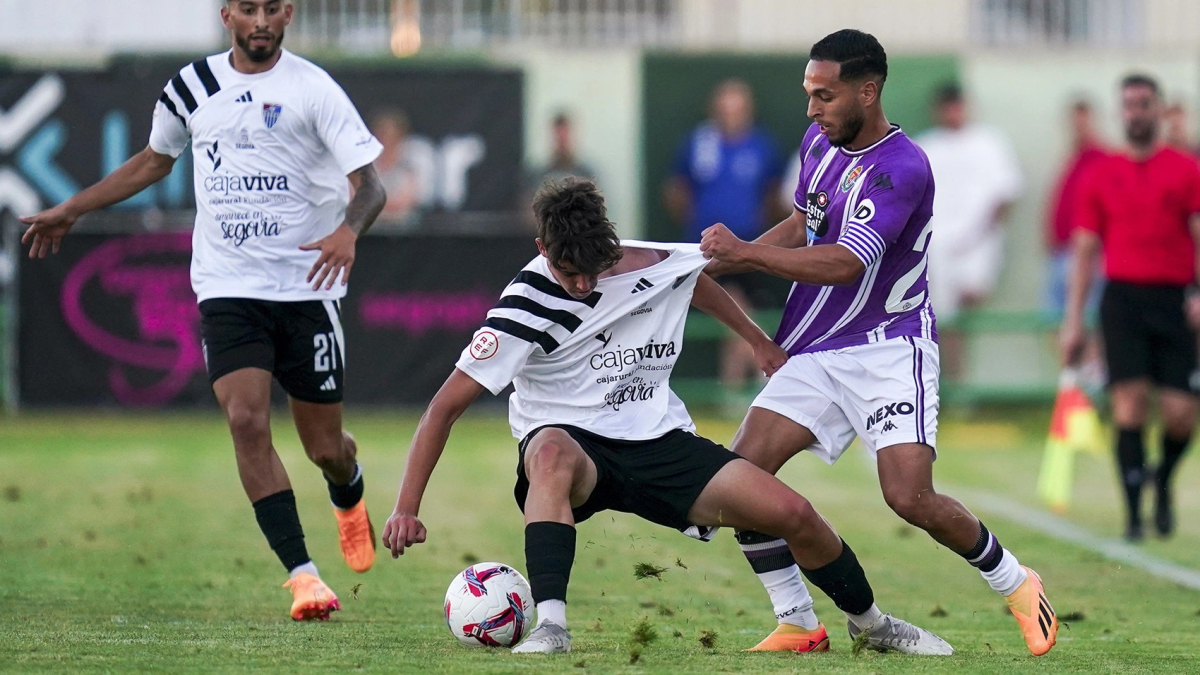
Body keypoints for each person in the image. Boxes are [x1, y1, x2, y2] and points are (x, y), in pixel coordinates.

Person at [382, 177, 950, 655]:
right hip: (574, 447)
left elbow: (693, 282)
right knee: (549, 452)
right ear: (541, 248)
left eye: (591, 270)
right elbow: (443, 409)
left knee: (794, 513)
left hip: (657, 442)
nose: (581, 284)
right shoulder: (525, 303)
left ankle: (872, 625)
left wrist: (756, 339)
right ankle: (552, 625)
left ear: (609, 244)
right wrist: (406, 507)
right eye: (567, 271)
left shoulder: (653, 262)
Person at [19, 0, 386, 621]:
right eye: (248, 9)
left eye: (271, 9)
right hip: (228, 287)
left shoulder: (313, 88)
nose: (260, 20)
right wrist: (73, 208)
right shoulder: (191, 87)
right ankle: (303, 576)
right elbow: (152, 161)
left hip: (307, 289)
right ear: (227, 16)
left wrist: (349, 232)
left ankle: (347, 493)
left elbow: (371, 184)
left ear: (288, 14)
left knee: (325, 447)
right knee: (245, 420)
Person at [700, 29, 1058, 657]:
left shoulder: (903, 167)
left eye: (825, 96)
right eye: (809, 93)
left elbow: (846, 262)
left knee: (908, 496)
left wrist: (746, 255)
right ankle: (798, 622)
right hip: (818, 348)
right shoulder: (820, 142)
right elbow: (805, 222)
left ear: (867, 92)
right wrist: (727, 258)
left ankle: (1016, 583)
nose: (811, 109)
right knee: (740, 479)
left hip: (890, 348)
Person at [1061, 74, 1200, 542]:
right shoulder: (1101, 173)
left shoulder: (1186, 169)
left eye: (1144, 103)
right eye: (1129, 104)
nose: (1136, 112)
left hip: (1174, 300)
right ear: (1121, 112)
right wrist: (1074, 320)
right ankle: (1134, 515)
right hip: (1122, 300)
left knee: (1181, 414)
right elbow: (1084, 250)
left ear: (1159, 109)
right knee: (1129, 404)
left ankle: (1162, 478)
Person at [663, 79, 785, 397]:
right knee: (736, 312)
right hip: (707, 252)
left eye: (738, 108)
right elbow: (676, 189)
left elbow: (773, 194)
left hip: (750, 248)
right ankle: (765, 378)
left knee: (738, 319)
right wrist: (697, 224)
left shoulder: (761, 146)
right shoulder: (699, 143)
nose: (732, 115)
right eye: (726, 108)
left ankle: (732, 392)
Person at [915, 83, 1023, 380]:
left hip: (980, 243)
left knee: (970, 295)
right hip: (937, 246)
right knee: (944, 316)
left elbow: (1007, 193)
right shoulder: (925, 146)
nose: (953, 113)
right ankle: (954, 381)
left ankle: (962, 380)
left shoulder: (989, 142)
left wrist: (982, 235)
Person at [521, 112, 597, 230]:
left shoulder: (586, 174)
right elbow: (528, 212)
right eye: (558, 136)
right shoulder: (537, 175)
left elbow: (596, 211)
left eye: (564, 136)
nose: (561, 142)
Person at [370, 108, 423, 228]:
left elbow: (409, 199)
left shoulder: (411, 164)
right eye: (382, 134)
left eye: (392, 136)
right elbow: (357, 197)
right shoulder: (363, 164)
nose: (387, 140)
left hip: (403, 225)